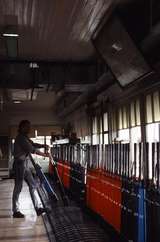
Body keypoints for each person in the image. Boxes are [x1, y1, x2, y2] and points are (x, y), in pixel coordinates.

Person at [12, 120, 51, 218]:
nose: (29, 128)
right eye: (27, 127)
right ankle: (15, 211)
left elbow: (33, 144)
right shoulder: (20, 138)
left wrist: (43, 145)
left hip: (24, 164)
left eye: (29, 126)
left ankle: (38, 208)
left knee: (33, 185)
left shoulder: (25, 137)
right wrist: (45, 155)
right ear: (21, 127)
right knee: (18, 187)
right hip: (19, 165)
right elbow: (31, 149)